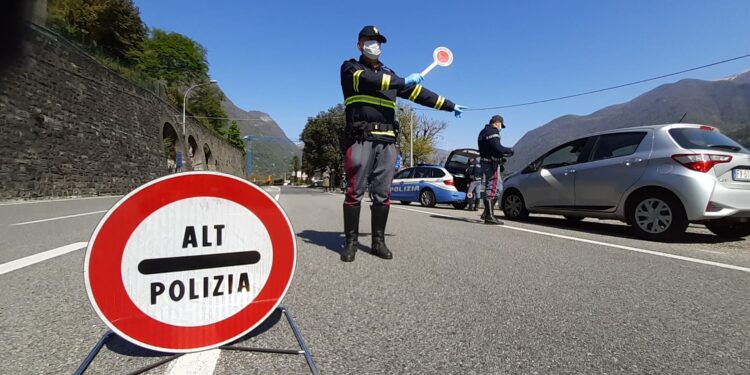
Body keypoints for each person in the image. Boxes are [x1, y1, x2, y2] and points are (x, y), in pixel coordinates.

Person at [339, 25, 466, 262]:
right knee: (354, 191)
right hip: (361, 138)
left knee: (383, 192)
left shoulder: (391, 75)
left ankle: (378, 241)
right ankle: (351, 242)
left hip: (387, 141)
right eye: (369, 40)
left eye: (378, 41)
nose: (374, 45)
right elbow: (370, 79)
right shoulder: (351, 68)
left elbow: (418, 93)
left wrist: (449, 104)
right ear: (359, 44)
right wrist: (402, 80)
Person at [478, 115, 514, 225]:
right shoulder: (493, 131)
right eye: (501, 125)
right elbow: (497, 147)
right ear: (497, 122)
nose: (500, 128)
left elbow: (490, 148)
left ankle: (487, 212)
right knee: (492, 187)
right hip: (490, 163)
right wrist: (509, 150)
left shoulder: (483, 131)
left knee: (498, 187)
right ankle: (489, 216)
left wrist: (499, 156)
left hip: (486, 161)